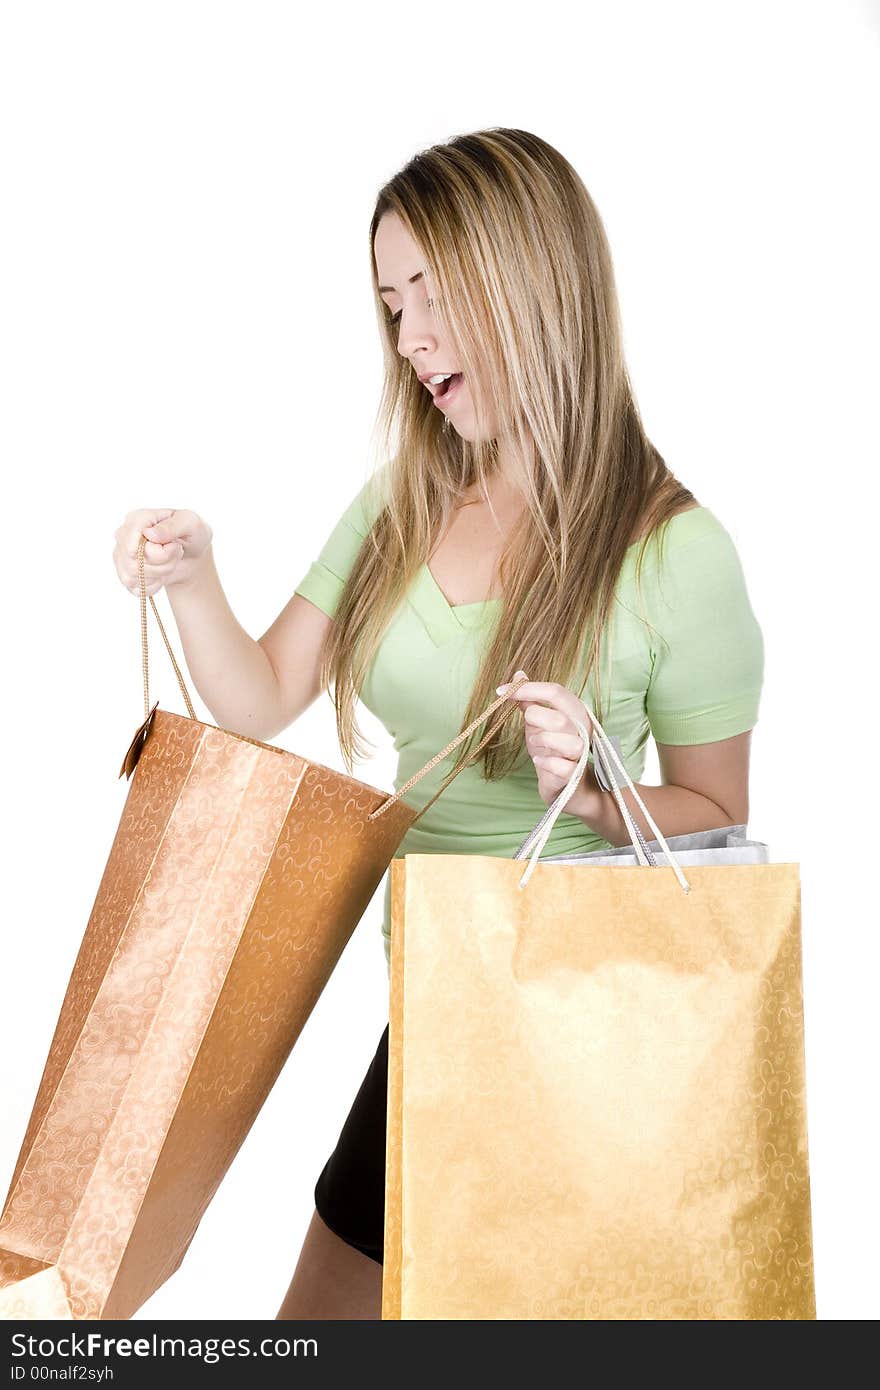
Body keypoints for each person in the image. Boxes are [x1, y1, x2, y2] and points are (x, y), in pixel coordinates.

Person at [111, 128, 764, 1320]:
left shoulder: (677, 551)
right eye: (389, 302)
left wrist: (600, 786)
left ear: (531, 282)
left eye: (434, 295)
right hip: (432, 1000)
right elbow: (261, 693)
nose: (408, 339)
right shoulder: (404, 502)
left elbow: (719, 818)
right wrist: (193, 575)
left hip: (579, 1021)